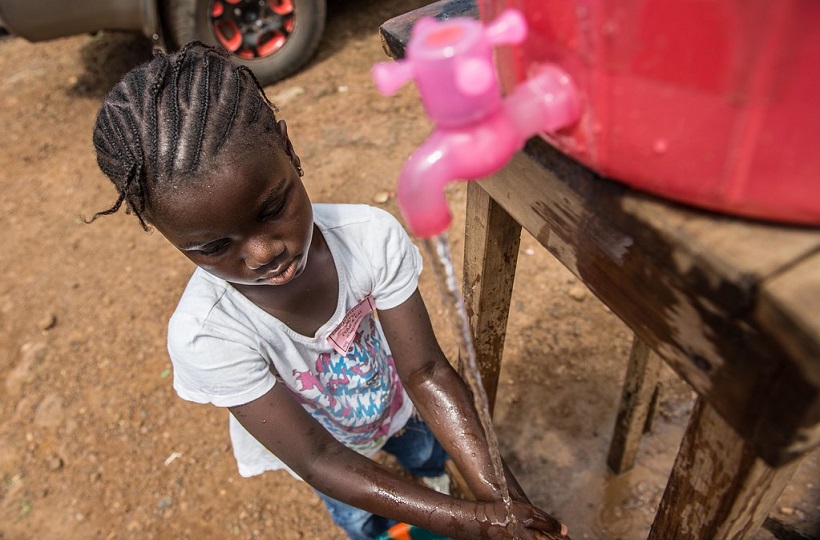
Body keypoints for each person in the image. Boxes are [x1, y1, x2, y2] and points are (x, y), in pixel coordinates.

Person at [88, 42, 567, 540]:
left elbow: (424, 372)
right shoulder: (207, 338)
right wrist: (475, 523)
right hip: (323, 443)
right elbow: (317, 457)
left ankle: (429, 477)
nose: (262, 254)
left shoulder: (369, 239)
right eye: (212, 246)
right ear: (161, 231)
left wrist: (509, 509)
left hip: (393, 401)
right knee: (358, 518)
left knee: (424, 452)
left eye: (272, 209)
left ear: (288, 150)